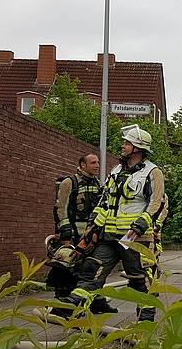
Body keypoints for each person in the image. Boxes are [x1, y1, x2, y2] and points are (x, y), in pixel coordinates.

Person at [65, 125, 166, 321]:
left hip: (134, 239)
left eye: (127, 143)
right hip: (108, 236)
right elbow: (106, 200)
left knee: (141, 282)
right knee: (91, 271)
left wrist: (139, 226)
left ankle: (145, 324)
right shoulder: (116, 170)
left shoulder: (153, 172)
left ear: (137, 147)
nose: (123, 146)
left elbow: (156, 203)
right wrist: (92, 226)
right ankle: (68, 308)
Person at [46, 154, 102, 303]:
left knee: (90, 268)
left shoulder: (98, 184)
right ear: (82, 165)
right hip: (72, 235)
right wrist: (65, 234)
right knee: (66, 267)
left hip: (90, 235)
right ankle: (62, 300)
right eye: (93, 162)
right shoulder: (69, 182)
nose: (97, 165)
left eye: (98, 162)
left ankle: (93, 301)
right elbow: (61, 207)